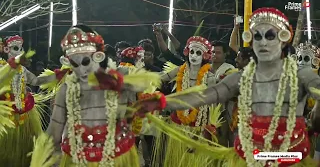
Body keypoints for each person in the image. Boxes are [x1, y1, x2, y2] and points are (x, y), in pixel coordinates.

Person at [135, 7, 319, 166]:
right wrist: (160, 102)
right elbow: (205, 96)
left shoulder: (302, 76)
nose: (262, 42)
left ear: (284, 38)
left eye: (270, 36)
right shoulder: (242, 77)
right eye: (257, 36)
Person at [47, 25, 143, 166]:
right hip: (77, 156)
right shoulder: (67, 87)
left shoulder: (121, 75)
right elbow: (55, 128)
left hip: (117, 156)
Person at [0, 35, 64, 166]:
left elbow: (36, 81)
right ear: (6, 50)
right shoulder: (2, 68)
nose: (19, 52)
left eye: (21, 48)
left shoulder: (22, 70)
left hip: (25, 111)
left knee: (27, 143)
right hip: (7, 114)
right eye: (15, 48)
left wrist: (56, 75)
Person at [152, 36, 216, 167]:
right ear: (187, 52)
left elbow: (213, 103)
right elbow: (162, 78)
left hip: (200, 122)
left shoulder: (209, 76)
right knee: (177, 160)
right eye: (192, 52)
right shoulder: (180, 70)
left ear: (204, 56)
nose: (194, 56)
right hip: (179, 121)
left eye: (198, 53)